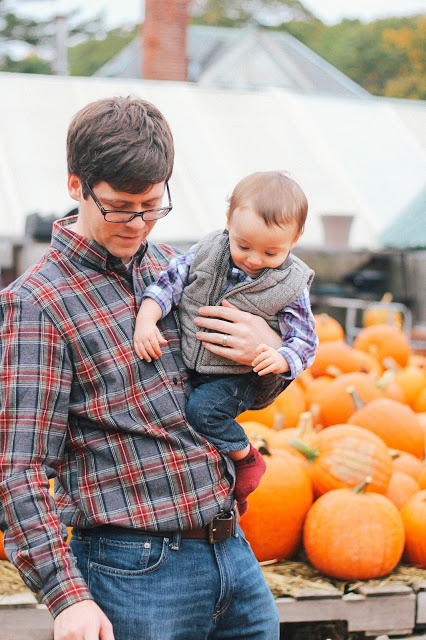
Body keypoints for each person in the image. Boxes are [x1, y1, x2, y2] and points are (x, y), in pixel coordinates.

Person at [0, 96, 291, 640]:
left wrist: (267, 351)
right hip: (134, 571)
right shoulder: (38, 303)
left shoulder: (181, 271)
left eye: (152, 206)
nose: (137, 223)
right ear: (74, 185)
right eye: (118, 206)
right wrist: (67, 599)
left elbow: (244, 396)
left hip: (232, 552)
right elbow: (17, 469)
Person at [134, 171, 318, 513]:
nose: (253, 259)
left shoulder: (291, 285)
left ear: (295, 239)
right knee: (189, 419)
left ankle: (246, 457)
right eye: (243, 245)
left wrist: (281, 358)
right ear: (228, 222)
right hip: (195, 362)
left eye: (270, 252)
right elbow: (169, 282)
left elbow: (305, 339)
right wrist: (147, 318)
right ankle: (222, 490)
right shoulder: (206, 250)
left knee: (202, 413)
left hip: (240, 376)